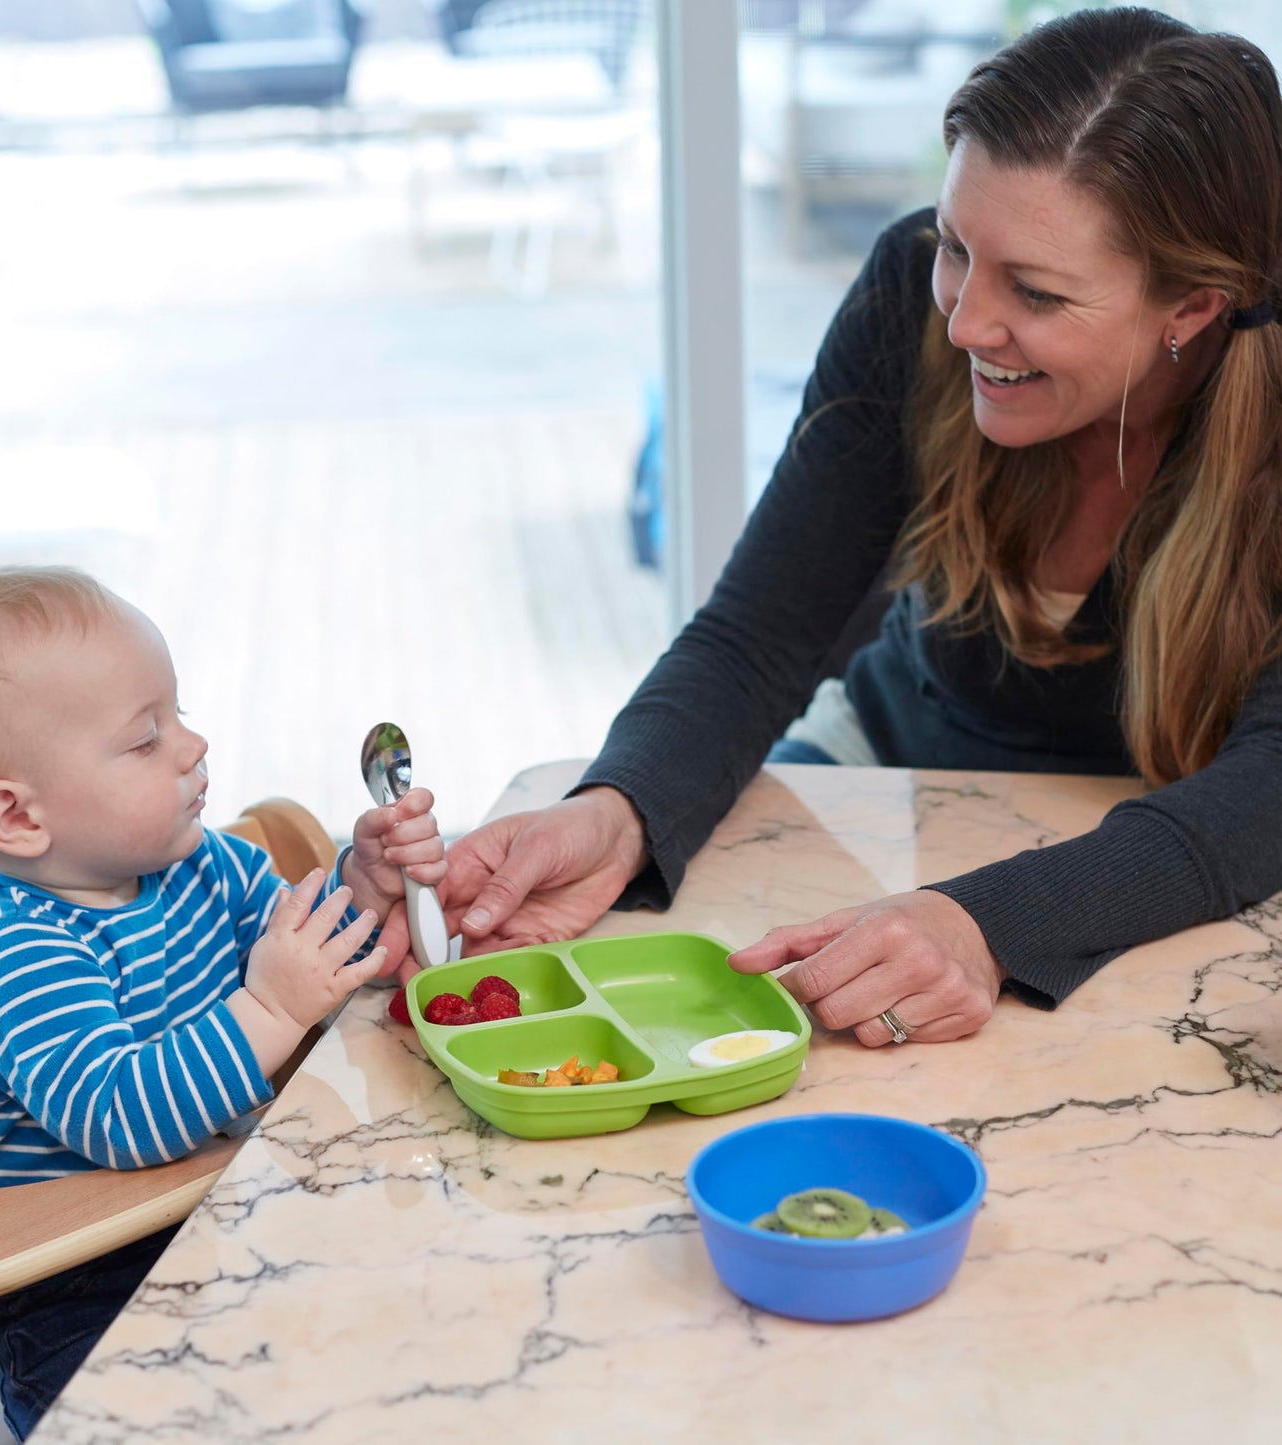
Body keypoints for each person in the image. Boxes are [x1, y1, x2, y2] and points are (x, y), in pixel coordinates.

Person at [441, 7, 1282, 1050]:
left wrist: (988, 920)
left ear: (1190, 311)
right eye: (956, 246)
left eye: (1034, 290)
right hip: (880, 771)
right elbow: (759, 631)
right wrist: (620, 806)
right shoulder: (905, 289)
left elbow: (1265, 787)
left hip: (1180, 850)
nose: (964, 321)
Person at [0, 565, 445, 1439]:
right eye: (146, 740)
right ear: (19, 818)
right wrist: (268, 1009)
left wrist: (362, 892)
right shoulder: (14, 956)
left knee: (394, 1335)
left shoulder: (204, 864)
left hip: (224, 1207)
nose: (192, 745)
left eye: (176, 714)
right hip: (72, 1280)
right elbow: (122, 1118)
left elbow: (315, 958)